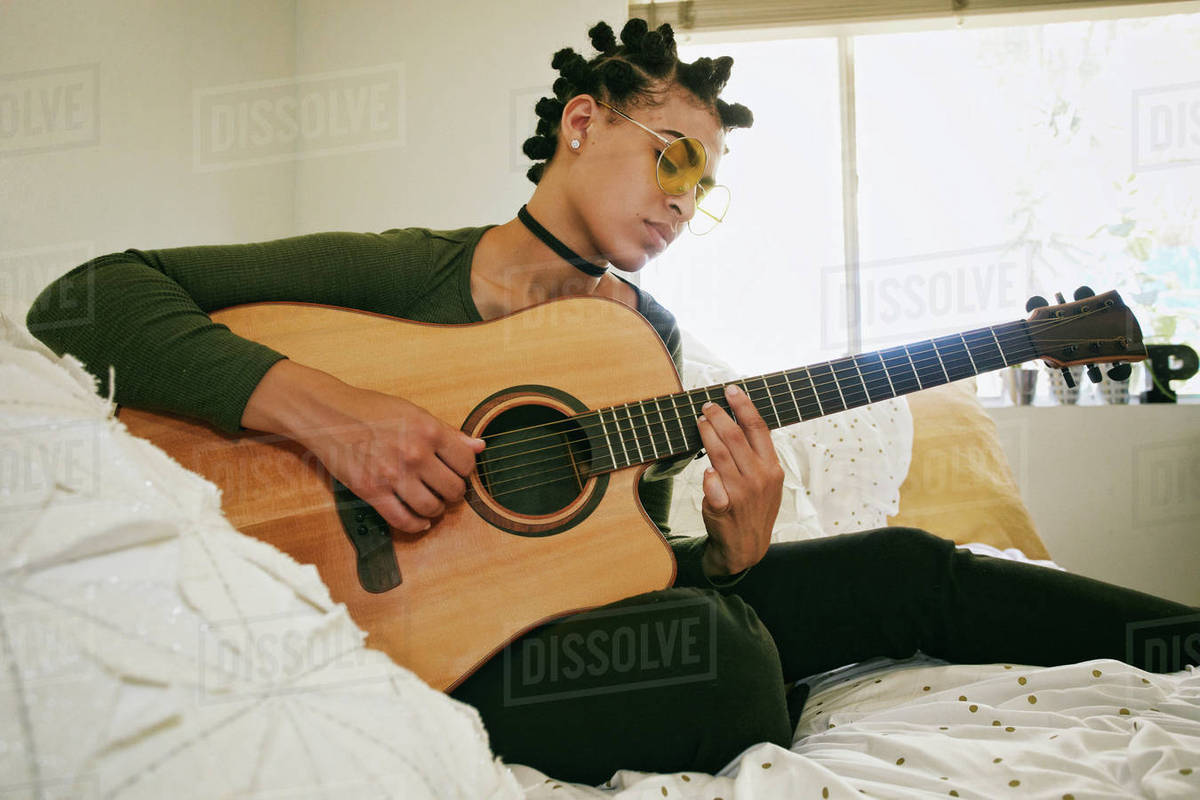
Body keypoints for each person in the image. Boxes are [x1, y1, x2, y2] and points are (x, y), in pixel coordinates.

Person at [26, 17, 1200, 787]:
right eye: (673, 156)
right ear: (583, 123)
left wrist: (729, 559)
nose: (685, 201)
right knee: (725, 670)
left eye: (708, 188)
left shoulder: (646, 342)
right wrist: (337, 414)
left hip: (533, 625)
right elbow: (86, 299)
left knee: (894, 565)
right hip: (390, 622)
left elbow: (602, 561)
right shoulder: (409, 271)